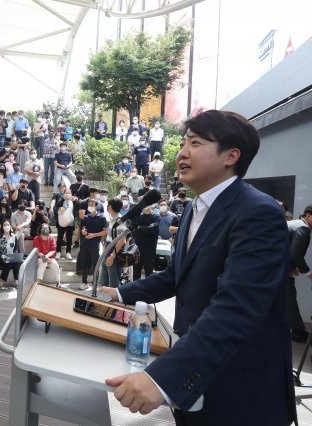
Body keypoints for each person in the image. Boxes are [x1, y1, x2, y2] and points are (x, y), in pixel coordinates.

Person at [98, 110, 295, 425]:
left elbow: (236, 308)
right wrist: (120, 294)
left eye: (197, 143)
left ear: (231, 156)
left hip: (241, 388)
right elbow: (177, 275)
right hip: (197, 376)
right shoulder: (194, 208)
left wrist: (163, 378)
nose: (183, 153)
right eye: (184, 143)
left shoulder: (259, 214)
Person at [287, 205, 312, 343]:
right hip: (274, 267)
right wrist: (308, 272)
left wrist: (291, 266)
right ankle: (297, 332)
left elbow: (289, 249)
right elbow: (296, 254)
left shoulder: (295, 225)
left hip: (272, 265)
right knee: (289, 296)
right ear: (308, 215)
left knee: (288, 296)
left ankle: (297, 330)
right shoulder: (303, 229)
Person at [78, 199, 107, 289]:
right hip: (84, 243)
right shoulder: (85, 217)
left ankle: (95, 282)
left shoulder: (102, 218)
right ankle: (84, 282)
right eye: (89, 204)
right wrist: (83, 232)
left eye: (92, 204)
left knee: (95, 264)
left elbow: (105, 231)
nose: (90, 206)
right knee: (84, 263)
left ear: (96, 206)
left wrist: (94, 235)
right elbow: (83, 229)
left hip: (95, 244)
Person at [101, 198, 127, 288]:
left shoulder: (120, 222)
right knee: (104, 281)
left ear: (110, 207)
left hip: (114, 253)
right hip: (107, 251)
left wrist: (112, 256)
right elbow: (109, 238)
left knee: (113, 283)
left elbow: (122, 240)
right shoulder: (113, 220)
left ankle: (113, 302)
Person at [0, 220, 21, 287]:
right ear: (2, 227)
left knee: (16, 262)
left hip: (11, 257)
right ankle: (1, 281)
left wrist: (14, 255)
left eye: (8, 225)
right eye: (5, 225)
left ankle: (15, 280)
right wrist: (3, 256)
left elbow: (16, 249)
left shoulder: (14, 236)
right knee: (8, 262)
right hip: (0, 258)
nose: (6, 226)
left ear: (10, 226)